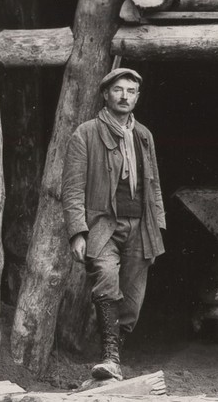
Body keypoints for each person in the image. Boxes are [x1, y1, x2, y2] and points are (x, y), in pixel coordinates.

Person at [61, 66, 166, 381]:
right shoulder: (86, 133)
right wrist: (78, 233)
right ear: (106, 94)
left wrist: (158, 225)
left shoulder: (143, 136)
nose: (125, 96)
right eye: (118, 90)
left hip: (140, 226)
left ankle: (114, 358)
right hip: (103, 225)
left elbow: (155, 184)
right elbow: (73, 189)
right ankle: (109, 356)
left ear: (137, 97)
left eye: (131, 91)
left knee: (133, 298)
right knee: (106, 278)